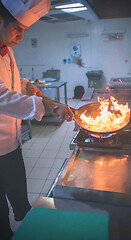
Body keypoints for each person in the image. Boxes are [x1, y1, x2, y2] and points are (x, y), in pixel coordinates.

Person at [0, 0, 73, 239]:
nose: (20, 37)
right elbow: (2, 96)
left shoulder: (7, 49)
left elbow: (10, 84)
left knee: (20, 198)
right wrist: (49, 104)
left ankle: (29, 225)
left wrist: (26, 85)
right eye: (17, 29)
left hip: (12, 142)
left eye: (24, 31)